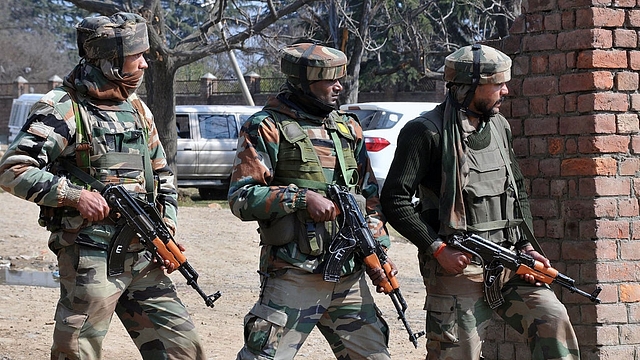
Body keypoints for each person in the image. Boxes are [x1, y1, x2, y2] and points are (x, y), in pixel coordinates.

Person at [0, 12, 205, 359]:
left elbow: (164, 176)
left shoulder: (138, 110)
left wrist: (164, 229)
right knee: (76, 351)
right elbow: (12, 169)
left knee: (183, 349)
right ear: (110, 61)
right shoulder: (63, 107)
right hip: (90, 255)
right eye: (136, 56)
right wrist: (74, 195)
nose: (144, 64)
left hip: (143, 256)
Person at [380, 44, 580, 360]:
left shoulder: (499, 126)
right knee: (458, 354)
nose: (506, 90)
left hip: (509, 260)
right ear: (469, 86)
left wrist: (529, 249)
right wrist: (437, 249)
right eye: (497, 84)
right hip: (456, 267)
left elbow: (518, 191)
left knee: (553, 321)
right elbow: (394, 200)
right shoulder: (425, 132)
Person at [228, 42, 393, 359]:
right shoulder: (267, 126)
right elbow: (242, 197)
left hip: (348, 274)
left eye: (339, 78)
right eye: (330, 79)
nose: (339, 86)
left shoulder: (347, 128)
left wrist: (379, 249)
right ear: (304, 82)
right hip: (295, 272)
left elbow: (369, 199)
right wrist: (301, 198)